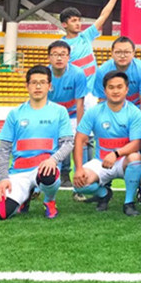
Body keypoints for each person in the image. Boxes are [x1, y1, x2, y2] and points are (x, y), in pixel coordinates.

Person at [0, 65, 74, 220]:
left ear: (49, 86)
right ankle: (26, 196)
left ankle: (49, 200)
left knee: (48, 174)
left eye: (42, 82)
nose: (38, 86)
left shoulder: (59, 111)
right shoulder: (15, 114)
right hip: (19, 172)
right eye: (34, 82)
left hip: (45, 168)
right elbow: (4, 149)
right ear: (27, 86)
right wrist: (3, 179)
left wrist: (53, 160)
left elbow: (68, 143)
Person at [73, 71, 141, 216]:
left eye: (119, 87)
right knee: (79, 185)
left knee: (135, 158)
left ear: (126, 89)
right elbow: (79, 139)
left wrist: (116, 154)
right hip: (101, 161)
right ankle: (104, 193)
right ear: (105, 90)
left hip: (124, 161)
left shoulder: (134, 112)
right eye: (111, 87)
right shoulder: (94, 112)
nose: (115, 91)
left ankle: (129, 202)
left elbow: (137, 143)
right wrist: (79, 168)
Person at [59, 0, 123, 110]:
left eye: (79, 20)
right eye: (73, 21)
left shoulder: (86, 36)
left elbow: (103, 16)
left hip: (92, 94)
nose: (78, 24)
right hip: (74, 93)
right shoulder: (61, 46)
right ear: (64, 24)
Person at [46, 40, 88, 189]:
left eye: (63, 54)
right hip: (53, 116)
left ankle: (81, 182)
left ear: (69, 57)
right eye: (55, 54)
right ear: (49, 57)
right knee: (51, 145)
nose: (59, 58)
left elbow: (80, 103)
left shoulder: (78, 73)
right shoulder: (44, 74)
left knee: (81, 143)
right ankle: (53, 178)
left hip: (73, 114)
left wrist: (81, 130)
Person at [93, 36, 141, 123]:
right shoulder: (102, 71)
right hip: (114, 109)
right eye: (118, 52)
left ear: (133, 53)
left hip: (138, 107)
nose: (122, 56)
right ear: (112, 53)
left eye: (127, 52)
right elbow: (102, 100)